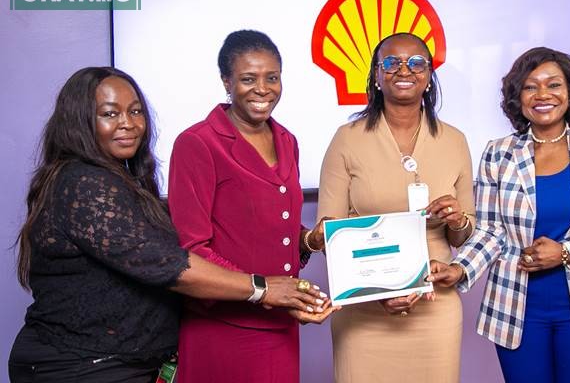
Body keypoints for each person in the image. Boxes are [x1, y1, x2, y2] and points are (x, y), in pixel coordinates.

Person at [8, 66, 328, 383]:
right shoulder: (83, 184)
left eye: (135, 111)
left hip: (120, 364)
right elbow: (170, 266)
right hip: (80, 366)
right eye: (110, 114)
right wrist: (265, 289)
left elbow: (234, 233)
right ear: (79, 122)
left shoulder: (123, 183)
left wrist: (307, 241)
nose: (128, 124)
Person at [429, 47, 570, 383]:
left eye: (554, 85)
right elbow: (490, 231)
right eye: (531, 87)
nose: (543, 95)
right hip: (517, 309)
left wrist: (566, 252)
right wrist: (459, 269)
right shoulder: (498, 153)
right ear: (519, 97)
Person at [167, 29, 336, 383]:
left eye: (272, 78)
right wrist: (263, 290)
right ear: (226, 82)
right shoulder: (197, 144)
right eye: (248, 79)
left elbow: (274, 229)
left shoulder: (287, 140)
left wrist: (310, 241)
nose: (263, 89)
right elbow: (191, 250)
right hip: (223, 326)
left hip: (281, 323)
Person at [317, 32, 475, 383]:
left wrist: (458, 218)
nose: (405, 69)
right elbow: (329, 231)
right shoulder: (347, 138)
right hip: (363, 312)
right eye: (391, 62)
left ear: (430, 76)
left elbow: (464, 236)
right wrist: (378, 291)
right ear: (376, 75)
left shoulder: (455, 140)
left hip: (434, 306)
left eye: (417, 62)